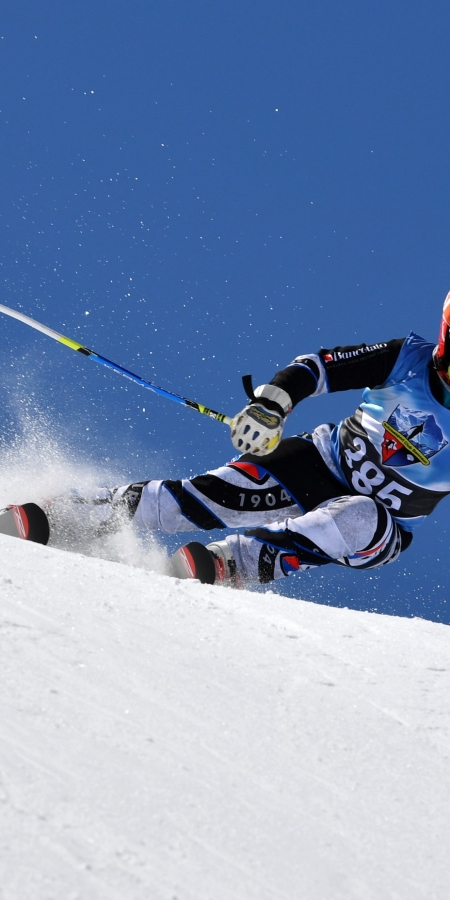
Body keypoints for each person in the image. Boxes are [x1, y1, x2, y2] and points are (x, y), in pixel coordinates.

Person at [95, 294, 450, 587]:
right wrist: (271, 405)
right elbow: (319, 367)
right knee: (210, 495)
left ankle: (231, 563)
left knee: (360, 516)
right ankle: (79, 511)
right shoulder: (408, 359)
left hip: (383, 530)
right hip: (320, 462)